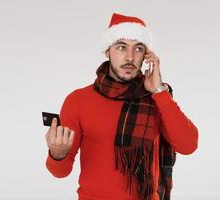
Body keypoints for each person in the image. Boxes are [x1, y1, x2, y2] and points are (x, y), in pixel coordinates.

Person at [45, 13, 199, 200]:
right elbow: (60, 172)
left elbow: (188, 145)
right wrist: (57, 153)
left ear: (146, 56)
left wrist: (159, 92)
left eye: (138, 49)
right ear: (107, 51)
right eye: (121, 47)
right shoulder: (78, 100)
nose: (130, 57)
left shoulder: (157, 97)